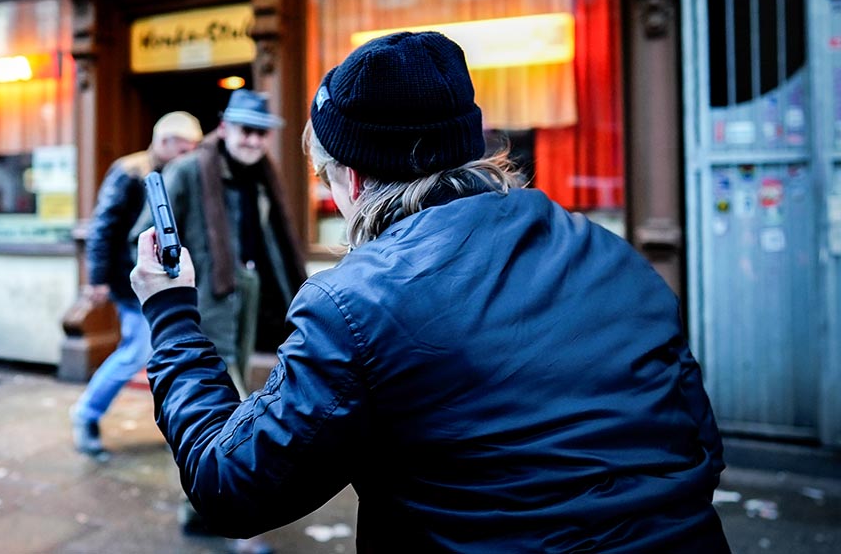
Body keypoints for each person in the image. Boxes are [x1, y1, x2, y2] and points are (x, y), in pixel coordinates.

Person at [131, 32, 729, 552]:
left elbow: (230, 485)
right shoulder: (609, 255)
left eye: (330, 179)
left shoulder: (356, 304)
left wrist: (172, 316)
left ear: (357, 179)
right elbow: (697, 440)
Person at [131, 88, 306, 553]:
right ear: (225, 127)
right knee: (223, 410)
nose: (253, 140)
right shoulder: (189, 170)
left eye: (261, 132)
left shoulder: (261, 174)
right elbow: (142, 237)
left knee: (230, 396)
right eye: (245, 129)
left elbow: (268, 239)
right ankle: (218, 511)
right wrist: (174, 285)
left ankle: (199, 506)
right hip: (203, 303)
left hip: (245, 298)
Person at [70, 110, 202, 458]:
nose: (190, 155)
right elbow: (103, 226)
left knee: (154, 351)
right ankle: (86, 415)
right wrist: (97, 279)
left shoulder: (176, 173)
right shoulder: (130, 171)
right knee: (137, 352)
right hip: (131, 282)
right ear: (164, 142)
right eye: (185, 148)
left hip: (160, 282)